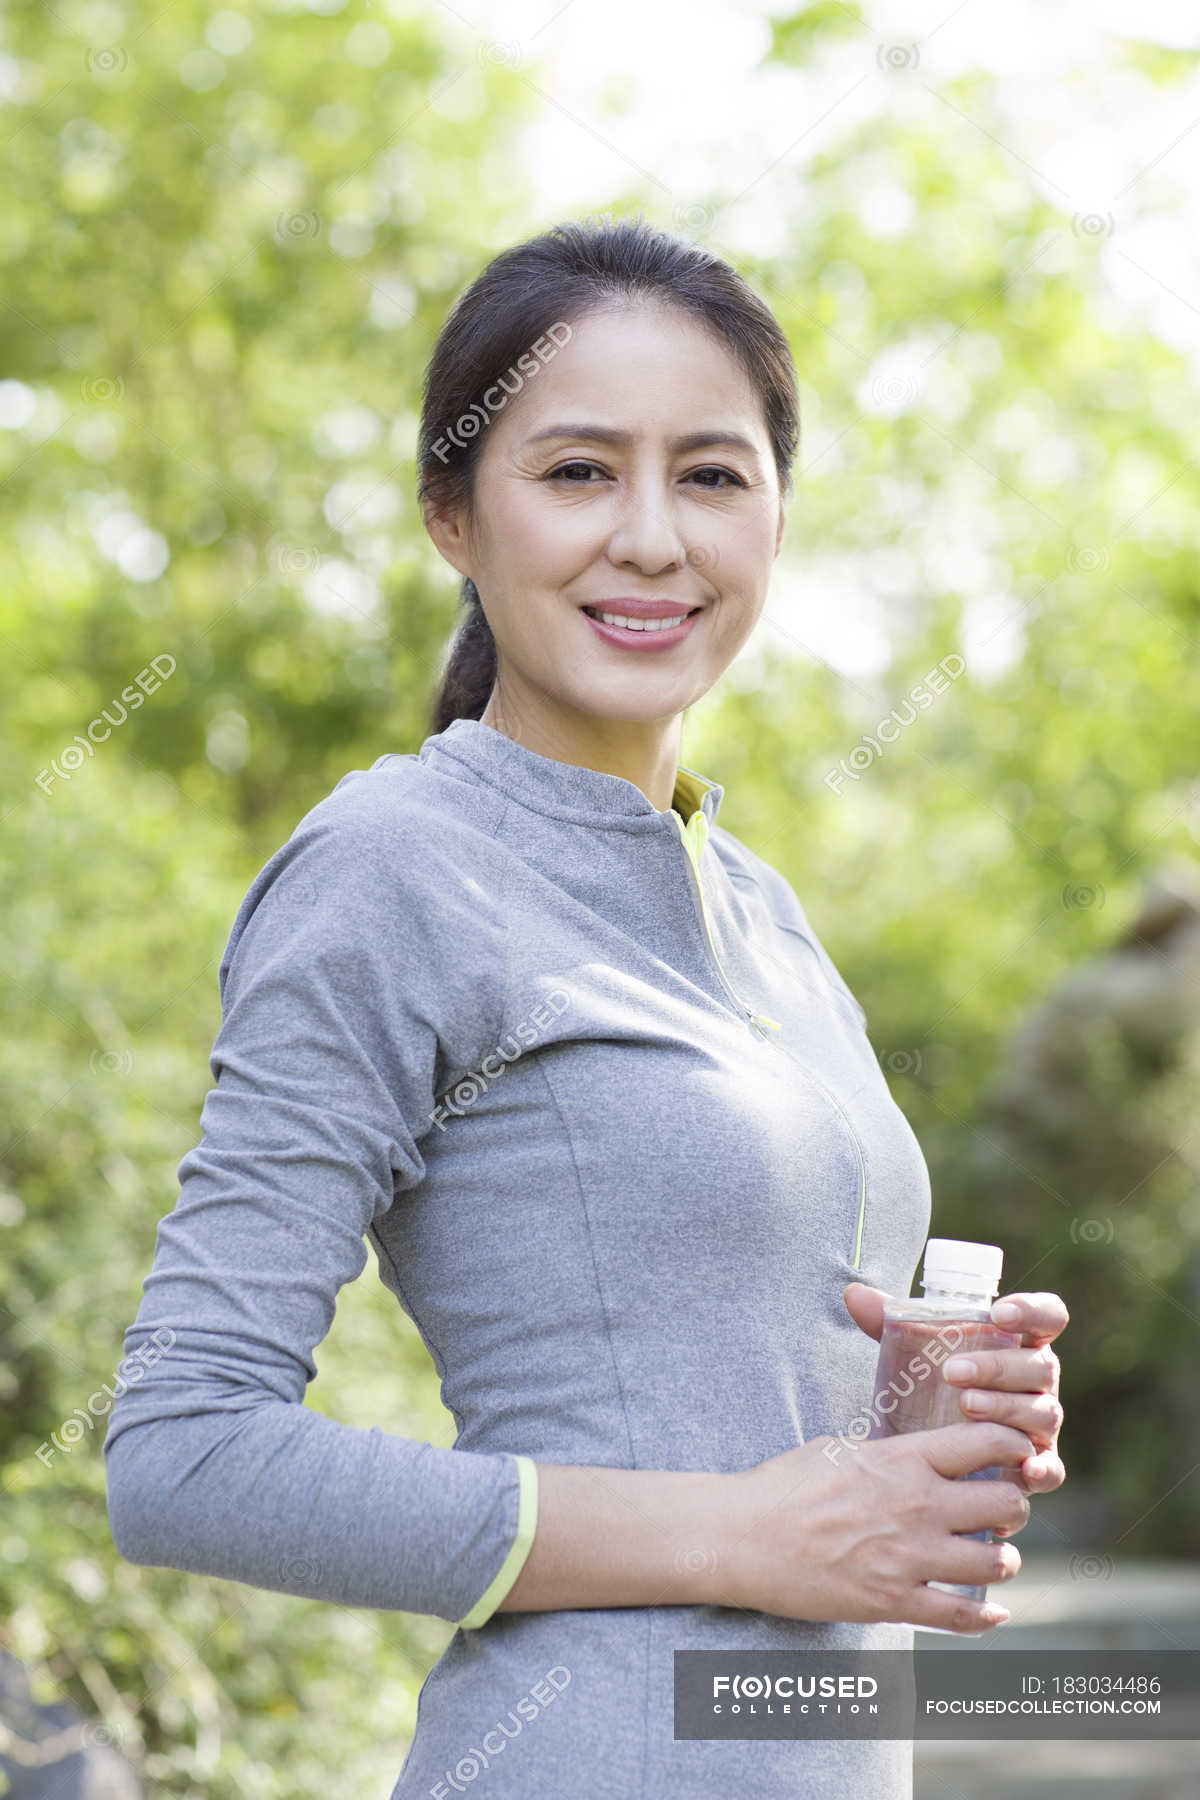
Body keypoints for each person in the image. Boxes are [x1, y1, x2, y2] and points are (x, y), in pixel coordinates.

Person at [103, 215, 1068, 1799]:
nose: (650, 538)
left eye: (710, 473)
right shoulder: (390, 869)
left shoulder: (757, 902)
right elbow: (184, 1458)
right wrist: (746, 1529)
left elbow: (734, 1399)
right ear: (451, 520)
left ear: (773, 515)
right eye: (573, 474)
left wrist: (922, 1412)